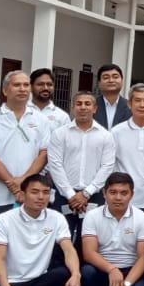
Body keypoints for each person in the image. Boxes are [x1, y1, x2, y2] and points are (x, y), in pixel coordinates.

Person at [0, 71, 50, 286]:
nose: (22, 89)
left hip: (32, 194)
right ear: (5, 90)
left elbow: (43, 153)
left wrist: (26, 184)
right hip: (1, 194)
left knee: (31, 245)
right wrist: (13, 183)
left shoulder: (39, 119)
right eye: (16, 85)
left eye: (25, 85)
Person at [77, 171, 144, 286]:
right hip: (103, 271)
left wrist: (126, 284)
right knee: (87, 272)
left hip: (130, 271)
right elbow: (89, 253)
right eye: (113, 192)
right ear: (104, 193)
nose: (118, 197)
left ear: (132, 195)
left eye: (124, 193)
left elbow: (143, 258)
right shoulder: (92, 216)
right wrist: (111, 269)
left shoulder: (142, 218)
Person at [48, 92, 116, 244]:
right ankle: (60, 268)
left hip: (94, 196)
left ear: (95, 108)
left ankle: (84, 268)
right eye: (79, 104)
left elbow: (107, 167)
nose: (83, 107)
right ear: (72, 108)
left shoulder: (106, 136)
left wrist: (86, 193)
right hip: (64, 196)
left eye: (87, 104)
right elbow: (55, 165)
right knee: (60, 240)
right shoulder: (59, 134)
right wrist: (71, 194)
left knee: (88, 240)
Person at [111, 83, 144, 223]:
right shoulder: (116, 132)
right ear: (129, 104)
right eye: (137, 100)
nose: (142, 105)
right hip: (121, 198)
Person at [93, 63, 130, 130]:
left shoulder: (131, 107)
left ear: (122, 81)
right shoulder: (90, 106)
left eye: (115, 77)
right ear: (99, 83)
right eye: (106, 78)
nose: (111, 80)